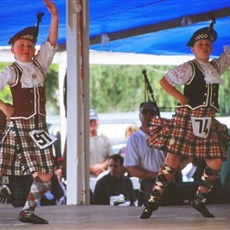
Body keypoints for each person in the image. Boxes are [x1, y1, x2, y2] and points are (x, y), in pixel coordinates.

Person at [140, 19, 230, 219]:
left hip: (208, 120)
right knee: (172, 159)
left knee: (216, 160)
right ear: (193, 49)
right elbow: (164, 81)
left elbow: (228, 56)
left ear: (211, 47)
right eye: (200, 45)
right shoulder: (189, 68)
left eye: (207, 44)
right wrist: (181, 98)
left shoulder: (216, 67)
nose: (204, 47)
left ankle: (199, 200)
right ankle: (152, 201)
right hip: (188, 118)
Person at [0, 0, 58, 224]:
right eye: (21, 45)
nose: (26, 48)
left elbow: (51, 43)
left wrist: (55, 17)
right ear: (12, 49)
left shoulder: (40, 66)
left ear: (34, 50)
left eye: (29, 46)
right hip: (18, 127)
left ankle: (27, 211)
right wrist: (4, 106)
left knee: (47, 175)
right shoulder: (10, 71)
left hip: (39, 127)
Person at [124, 101, 167, 206]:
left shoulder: (166, 136)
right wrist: (156, 176)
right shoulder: (134, 140)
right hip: (149, 185)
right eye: (145, 112)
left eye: (152, 112)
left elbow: (182, 159)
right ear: (140, 116)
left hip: (170, 183)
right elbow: (132, 170)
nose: (148, 115)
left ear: (156, 116)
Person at [89, 109, 113, 177]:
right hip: (87, 178)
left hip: (104, 176)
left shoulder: (105, 138)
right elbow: (79, 159)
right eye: (90, 121)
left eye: (94, 121)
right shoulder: (82, 140)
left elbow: (111, 157)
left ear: (98, 121)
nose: (92, 123)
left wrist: (102, 166)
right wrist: (92, 169)